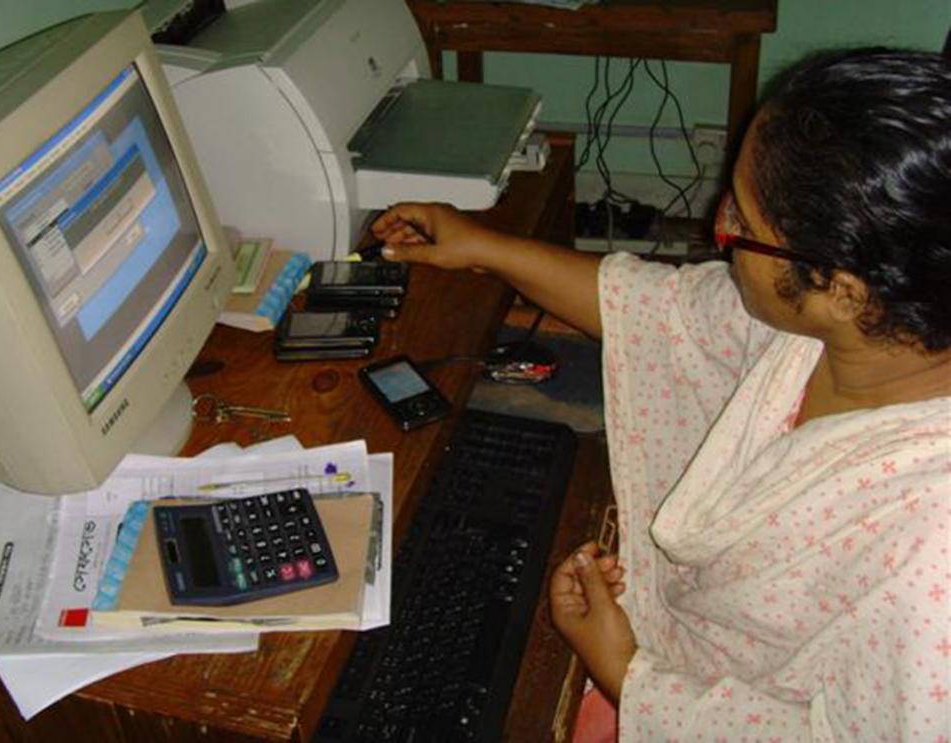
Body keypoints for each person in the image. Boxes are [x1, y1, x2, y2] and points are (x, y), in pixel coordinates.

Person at [372, 48, 950, 741]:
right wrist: (484, 248)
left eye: (741, 224)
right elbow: (661, 310)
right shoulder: (876, 326)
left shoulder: (930, 549)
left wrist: (625, 670)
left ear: (844, 290)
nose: (717, 227)